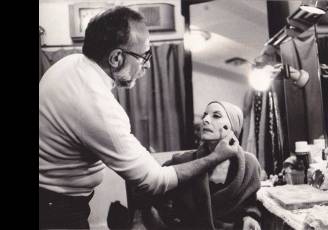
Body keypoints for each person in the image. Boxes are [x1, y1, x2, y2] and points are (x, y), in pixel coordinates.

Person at [39, 7, 239, 229]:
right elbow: (154, 181)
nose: (149, 64)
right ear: (116, 58)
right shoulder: (98, 107)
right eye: (144, 55)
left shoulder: (71, 63)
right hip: (56, 211)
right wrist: (214, 158)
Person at [146, 101, 262, 230]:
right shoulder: (183, 161)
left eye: (216, 116)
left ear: (232, 127)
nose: (205, 120)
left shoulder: (249, 165)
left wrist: (249, 217)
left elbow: (249, 203)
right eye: (204, 115)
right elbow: (152, 194)